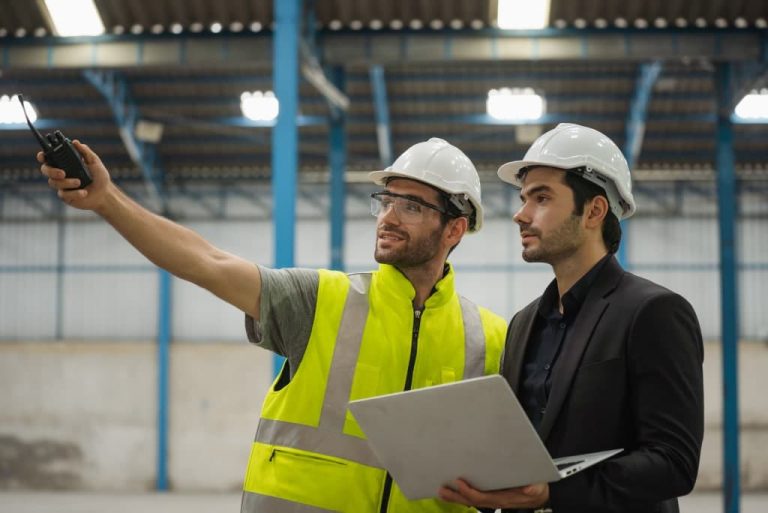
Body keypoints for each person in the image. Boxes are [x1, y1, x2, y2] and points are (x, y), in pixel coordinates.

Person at [39, 137, 507, 513]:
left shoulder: (490, 337)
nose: (386, 217)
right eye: (385, 201)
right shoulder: (321, 300)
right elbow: (207, 262)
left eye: (411, 206)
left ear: (454, 229)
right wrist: (107, 201)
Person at [439, 124, 704, 513]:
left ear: (594, 211)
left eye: (541, 198)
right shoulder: (524, 324)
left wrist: (553, 493)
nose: (520, 215)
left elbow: (673, 462)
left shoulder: (653, 313)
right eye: (524, 198)